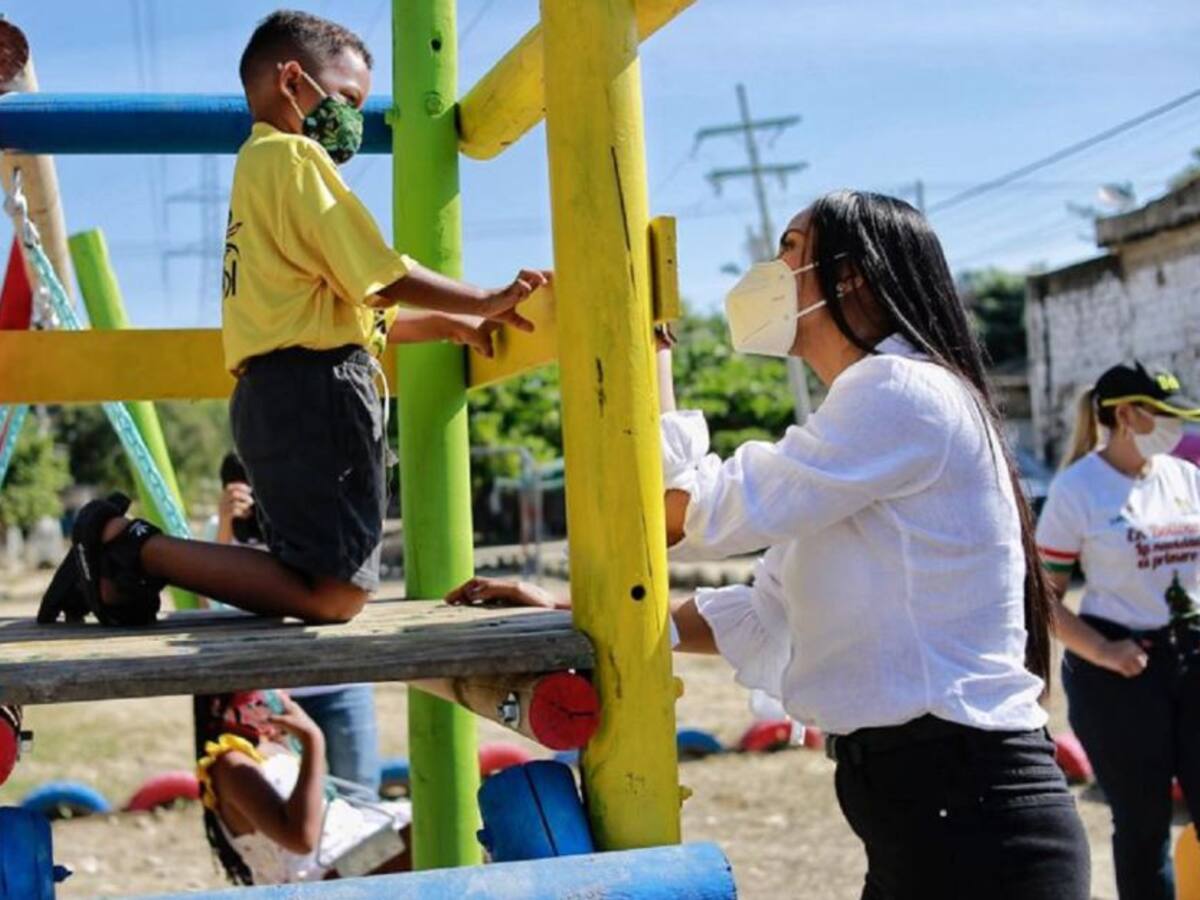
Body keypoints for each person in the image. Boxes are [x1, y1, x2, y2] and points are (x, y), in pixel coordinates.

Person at [451, 190, 1090, 899]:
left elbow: (681, 515)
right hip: (933, 808)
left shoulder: (898, 391)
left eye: (789, 247)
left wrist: (645, 356)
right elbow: (764, 614)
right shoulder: (867, 416)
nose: (770, 266)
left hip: (972, 815)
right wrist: (568, 611)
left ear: (852, 276)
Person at [39, 10, 547, 629]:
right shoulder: (297, 160)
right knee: (331, 593)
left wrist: (443, 323)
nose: (355, 119)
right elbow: (380, 277)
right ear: (292, 82)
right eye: (349, 98)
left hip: (277, 393)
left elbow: (335, 313)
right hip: (313, 395)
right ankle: (128, 545)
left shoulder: (258, 172)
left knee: (315, 580)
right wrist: (484, 298)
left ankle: (125, 557)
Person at [1036, 363, 1200, 900]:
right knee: (1144, 826)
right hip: (1120, 680)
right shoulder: (1077, 489)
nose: (1176, 428)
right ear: (1125, 415)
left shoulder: (1185, 478)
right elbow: (1043, 598)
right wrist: (1103, 650)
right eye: (1164, 415)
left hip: (1191, 658)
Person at [206, 452, 381, 792]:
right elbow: (210, 607)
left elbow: (357, 591)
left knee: (359, 791)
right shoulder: (221, 532)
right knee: (286, 795)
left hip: (340, 681)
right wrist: (228, 526)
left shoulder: (319, 518)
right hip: (273, 691)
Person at [194, 689, 410, 885]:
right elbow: (301, 840)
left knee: (428, 817)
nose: (275, 696)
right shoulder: (231, 764)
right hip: (319, 878)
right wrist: (313, 741)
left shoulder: (273, 745)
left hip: (348, 849)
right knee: (418, 833)